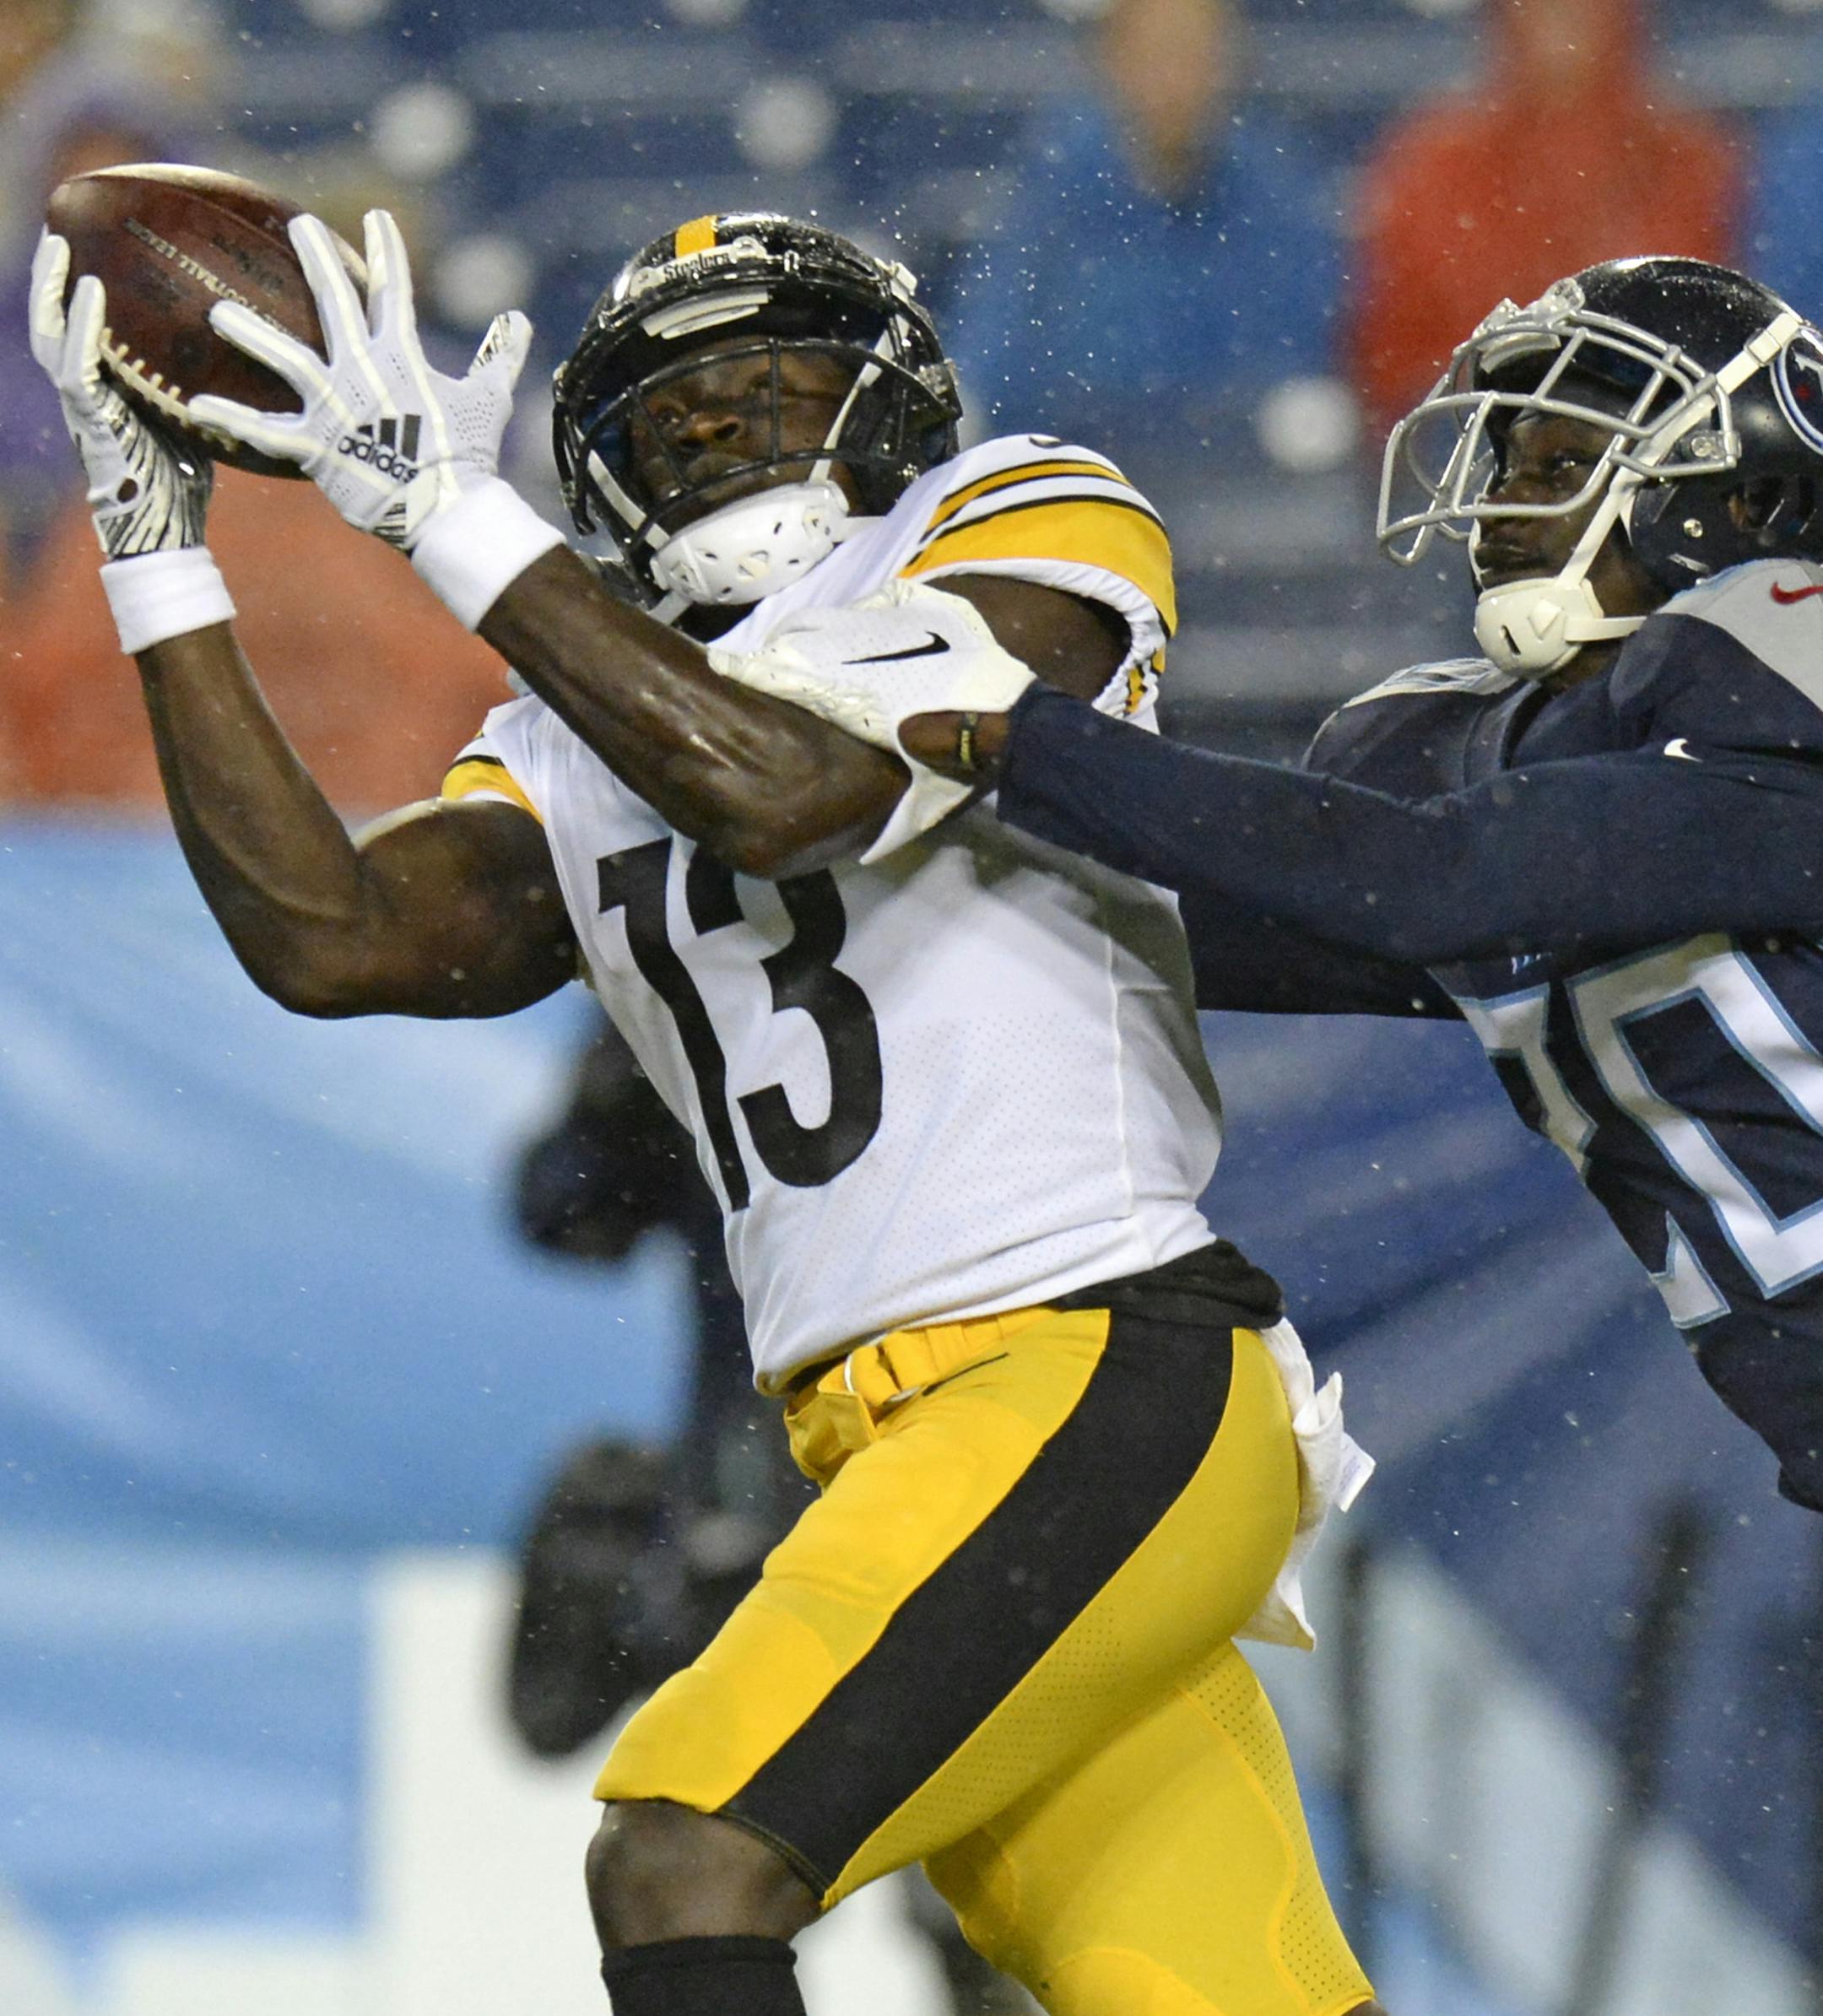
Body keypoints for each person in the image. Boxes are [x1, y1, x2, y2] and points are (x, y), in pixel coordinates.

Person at [28, 207, 1385, 2016]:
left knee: (685, 1853)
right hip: (887, 1436)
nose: (736, 437)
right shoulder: (574, 729)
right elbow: (330, 934)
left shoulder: (1021, 519)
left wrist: (441, 509)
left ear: (896, 410)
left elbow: (793, 789)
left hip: (1097, 1366)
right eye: (683, 421)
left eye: (780, 390)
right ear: (607, 479)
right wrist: (158, 561)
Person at [728, 254, 1823, 1516]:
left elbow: (1430, 882)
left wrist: (1011, 730)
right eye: (1509, 463)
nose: (1506, 503)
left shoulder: (1771, 674)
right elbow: (1208, 921)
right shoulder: (1496, 751)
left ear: (1744, 506)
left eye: (1564, 468)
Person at [943, 0, 1342, 463]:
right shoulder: (1056, 176)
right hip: (1071, 463)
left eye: (1196, 54)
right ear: (1110, 60)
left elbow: (1297, 343)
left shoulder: (1271, 182)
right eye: (1156, 53)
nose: (1174, 77)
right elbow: (999, 324)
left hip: (1227, 473)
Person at [1350, 0, 1740, 435]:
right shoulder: (1433, 160)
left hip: (1655, 426)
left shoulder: (1692, 160)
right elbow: (1395, 357)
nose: (1561, 19)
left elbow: (1716, 337)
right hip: (1475, 431)